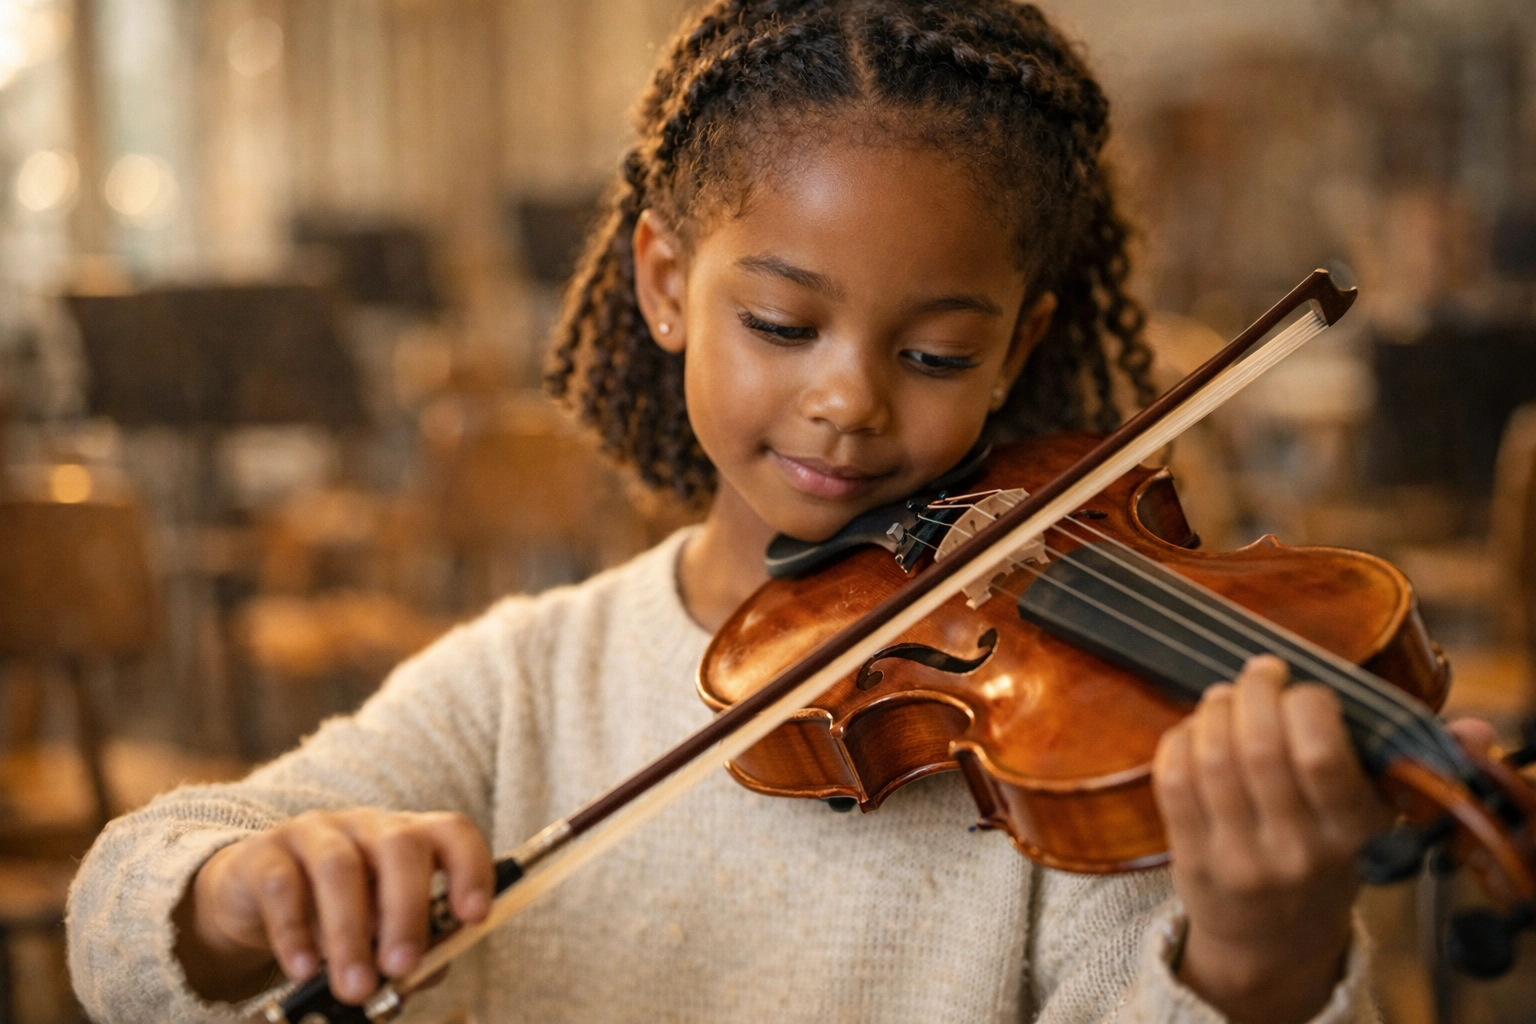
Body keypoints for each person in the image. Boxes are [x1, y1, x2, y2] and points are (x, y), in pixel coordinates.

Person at [68, 3, 1435, 1022]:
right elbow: (125, 917)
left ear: (1020, 349)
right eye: (783, 322)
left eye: (938, 353)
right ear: (665, 280)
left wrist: (1258, 957)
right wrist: (245, 891)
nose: (846, 399)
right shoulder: (529, 687)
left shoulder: (1069, 747)